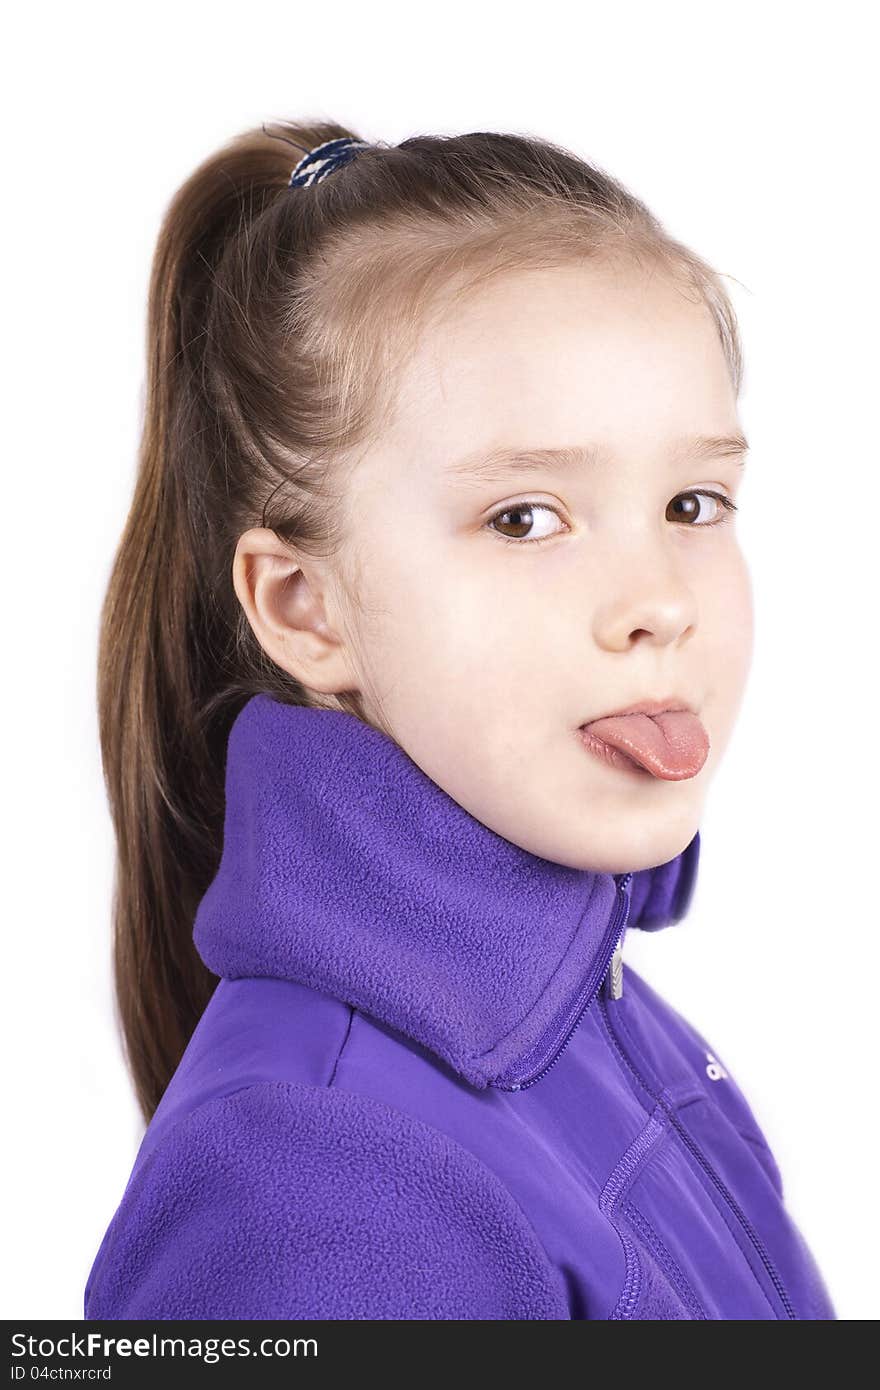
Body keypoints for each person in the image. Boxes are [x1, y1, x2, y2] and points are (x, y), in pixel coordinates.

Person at [83, 123, 836, 1320]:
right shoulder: (315, 1177)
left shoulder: (599, 1025)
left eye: (693, 501)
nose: (658, 603)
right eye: (526, 517)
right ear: (304, 606)